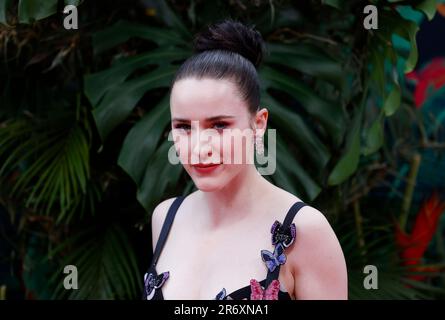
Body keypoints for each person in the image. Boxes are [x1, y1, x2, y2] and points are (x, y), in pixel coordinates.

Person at [142, 18, 347, 300]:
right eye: (184, 127)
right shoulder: (166, 218)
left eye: (220, 125)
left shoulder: (305, 231)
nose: (199, 148)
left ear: (259, 123)